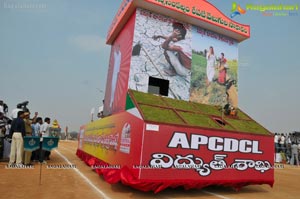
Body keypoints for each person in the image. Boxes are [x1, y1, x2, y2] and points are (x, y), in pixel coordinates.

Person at [110, 44, 122, 112]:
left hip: (118, 73)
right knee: (113, 88)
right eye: (116, 48)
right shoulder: (115, 54)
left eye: (118, 48)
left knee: (117, 89)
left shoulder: (120, 54)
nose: (117, 49)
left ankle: (115, 103)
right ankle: (111, 103)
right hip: (114, 74)